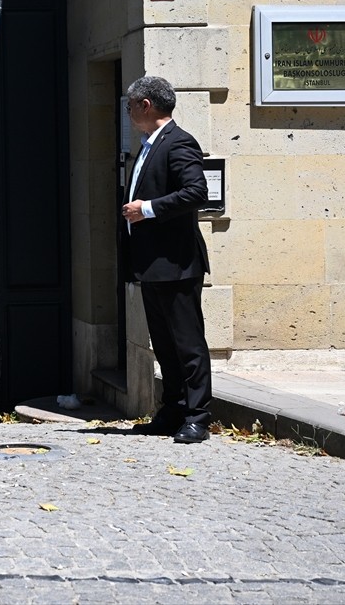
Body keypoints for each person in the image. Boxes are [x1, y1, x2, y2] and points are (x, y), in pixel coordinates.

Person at [120, 75, 212, 444]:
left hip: (176, 263)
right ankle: (172, 410)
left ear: (146, 106)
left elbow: (196, 192)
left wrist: (149, 208)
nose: (127, 113)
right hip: (153, 264)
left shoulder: (179, 142)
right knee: (165, 345)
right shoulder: (147, 145)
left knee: (187, 344)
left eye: (130, 106)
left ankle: (198, 416)